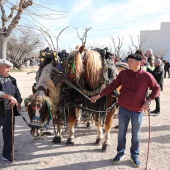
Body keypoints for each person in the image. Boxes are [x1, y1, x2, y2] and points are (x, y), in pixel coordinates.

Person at [90, 53, 160, 167]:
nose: (128, 63)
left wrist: (149, 100)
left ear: (138, 63)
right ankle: (120, 152)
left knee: (136, 136)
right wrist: (98, 96)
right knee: (121, 134)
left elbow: (157, 88)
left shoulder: (146, 76)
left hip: (137, 111)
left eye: (131, 61)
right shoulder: (123, 74)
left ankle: (134, 155)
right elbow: (112, 86)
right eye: (128, 60)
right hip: (123, 110)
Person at [0, 59, 22, 163]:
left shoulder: (12, 79)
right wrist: (8, 96)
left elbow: (17, 92)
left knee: (9, 133)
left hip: (9, 111)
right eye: (6, 67)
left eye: (9, 67)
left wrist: (18, 102)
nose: (9, 69)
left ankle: (7, 153)